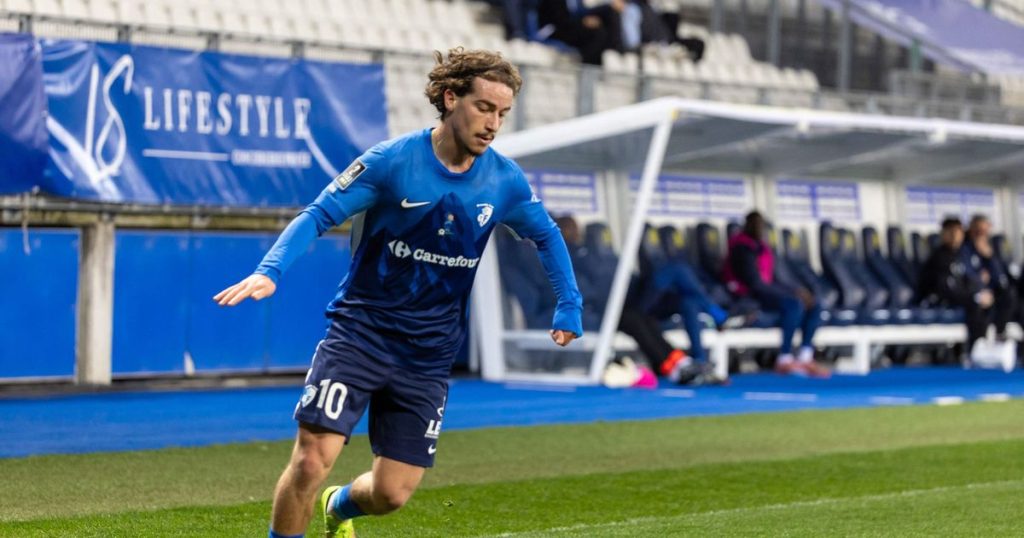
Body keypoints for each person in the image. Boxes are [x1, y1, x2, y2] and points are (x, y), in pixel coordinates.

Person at [215, 48, 583, 538]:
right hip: (360, 336)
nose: (494, 124)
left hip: (428, 354)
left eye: (502, 113)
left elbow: (547, 235)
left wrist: (568, 303)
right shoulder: (392, 162)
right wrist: (271, 270)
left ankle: (338, 506)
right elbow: (319, 213)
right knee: (310, 461)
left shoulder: (504, 180)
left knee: (391, 494)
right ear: (450, 98)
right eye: (484, 108)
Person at [556, 216, 728, 385]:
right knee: (674, 273)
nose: (575, 231)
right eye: (568, 227)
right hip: (617, 305)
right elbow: (584, 289)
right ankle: (712, 315)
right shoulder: (567, 257)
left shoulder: (592, 252)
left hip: (634, 296)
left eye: (574, 227)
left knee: (686, 298)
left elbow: (625, 276)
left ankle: (696, 360)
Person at [723, 211, 829, 377]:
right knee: (794, 304)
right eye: (756, 225)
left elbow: (772, 279)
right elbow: (755, 283)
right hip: (748, 296)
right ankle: (784, 358)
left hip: (766, 293)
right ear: (748, 225)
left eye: (762, 225)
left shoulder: (762, 247)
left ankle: (805, 357)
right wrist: (793, 294)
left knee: (814, 303)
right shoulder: (742, 247)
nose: (760, 229)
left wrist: (798, 291)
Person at [917, 217, 994, 357]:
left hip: (958, 298)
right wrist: (974, 296)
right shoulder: (939, 257)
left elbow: (968, 281)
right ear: (943, 234)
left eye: (958, 233)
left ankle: (985, 346)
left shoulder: (961, 255)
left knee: (989, 302)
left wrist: (980, 292)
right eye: (951, 232)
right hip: (937, 300)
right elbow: (946, 289)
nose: (955, 237)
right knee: (975, 304)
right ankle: (974, 351)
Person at [961, 215, 1017, 342]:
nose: (981, 234)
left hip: (993, 293)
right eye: (978, 230)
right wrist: (980, 283)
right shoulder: (965, 249)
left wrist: (990, 257)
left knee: (1010, 294)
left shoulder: (992, 249)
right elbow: (966, 275)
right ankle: (978, 343)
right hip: (974, 293)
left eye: (984, 231)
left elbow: (1001, 278)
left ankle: (1000, 332)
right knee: (978, 303)